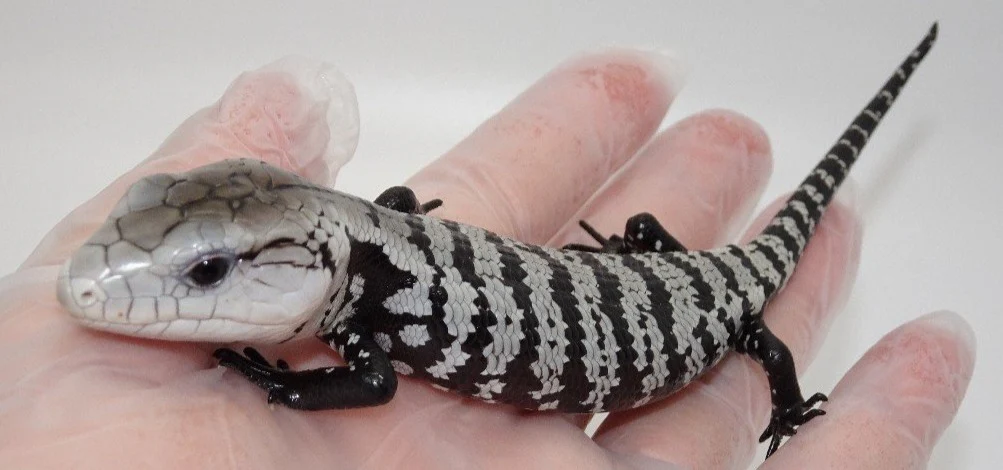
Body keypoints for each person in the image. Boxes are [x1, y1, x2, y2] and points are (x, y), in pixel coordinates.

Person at [0, 51, 974, 468]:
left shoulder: (353, 299)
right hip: (652, 282)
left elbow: (373, 380)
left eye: (208, 272)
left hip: (698, 306)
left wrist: (285, 387)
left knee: (756, 331)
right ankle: (653, 251)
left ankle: (716, 306)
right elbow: (377, 227)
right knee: (698, 270)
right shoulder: (354, 254)